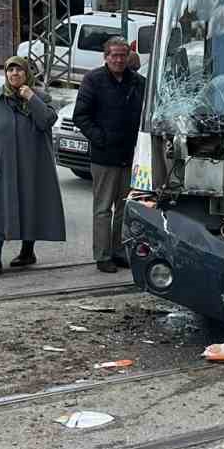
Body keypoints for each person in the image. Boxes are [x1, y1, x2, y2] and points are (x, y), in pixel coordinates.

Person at [0, 54, 66, 275]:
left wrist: (31, 97)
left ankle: (27, 251)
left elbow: (47, 121)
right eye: (10, 70)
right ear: (5, 74)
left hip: (33, 166)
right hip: (1, 167)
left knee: (30, 206)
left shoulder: (41, 98)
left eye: (19, 70)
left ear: (27, 74)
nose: (14, 74)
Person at [73, 36, 145, 273]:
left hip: (130, 155)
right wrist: (101, 139)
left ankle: (119, 251)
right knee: (103, 209)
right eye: (114, 55)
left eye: (123, 55)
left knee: (125, 208)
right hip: (104, 157)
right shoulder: (93, 80)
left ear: (128, 57)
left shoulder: (137, 82)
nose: (118, 59)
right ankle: (102, 255)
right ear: (105, 57)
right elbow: (81, 116)